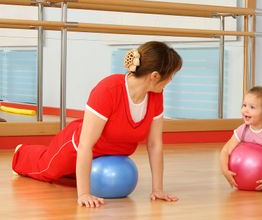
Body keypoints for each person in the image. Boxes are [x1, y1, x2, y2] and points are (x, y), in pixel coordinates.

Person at [12, 41, 182, 208]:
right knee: (47, 171)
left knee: (68, 180)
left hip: (109, 154)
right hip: (77, 147)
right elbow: (85, 144)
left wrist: (157, 189)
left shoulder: (155, 95)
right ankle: (22, 152)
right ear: (154, 76)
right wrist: (84, 194)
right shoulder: (109, 89)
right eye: (171, 75)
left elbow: (154, 144)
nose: (171, 79)